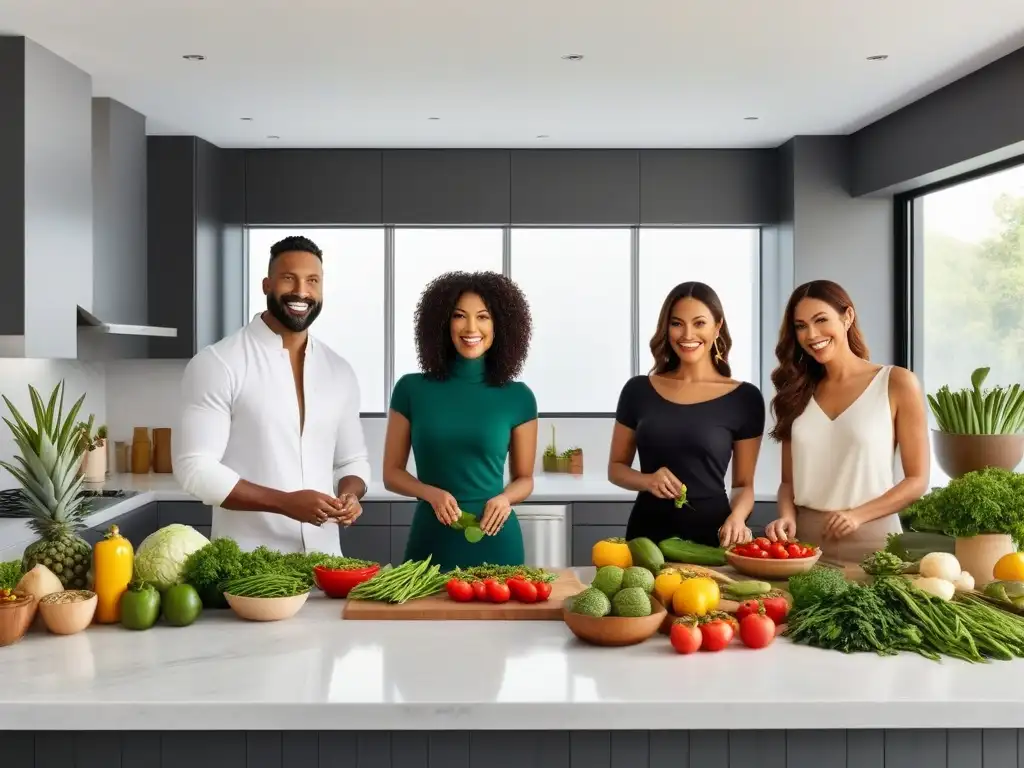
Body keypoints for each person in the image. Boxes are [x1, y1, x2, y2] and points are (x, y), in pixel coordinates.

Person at [173, 235, 371, 554]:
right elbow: (194, 468)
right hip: (247, 568)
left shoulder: (339, 371)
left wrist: (351, 494)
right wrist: (284, 503)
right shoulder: (218, 363)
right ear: (267, 284)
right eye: (288, 278)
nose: (301, 292)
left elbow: (352, 460)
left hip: (325, 563)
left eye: (312, 281)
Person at [764, 279, 930, 564]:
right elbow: (788, 482)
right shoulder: (795, 392)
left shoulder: (896, 382)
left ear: (847, 316)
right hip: (805, 548)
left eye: (821, 320)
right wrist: (786, 517)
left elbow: (917, 480)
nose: (811, 334)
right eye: (801, 326)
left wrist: (857, 516)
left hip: (876, 545)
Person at [382, 271, 538, 571]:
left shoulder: (518, 397)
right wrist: (430, 493)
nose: (471, 328)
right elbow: (391, 473)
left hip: (496, 538)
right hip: (431, 541)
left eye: (483, 317)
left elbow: (525, 479)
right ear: (442, 323)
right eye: (459, 316)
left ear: (500, 325)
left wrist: (505, 499)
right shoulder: (411, 389)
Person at [608, 281, 766, 549]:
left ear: (717, 327)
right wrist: (647, 480)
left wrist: (738, 519)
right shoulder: (638, 390)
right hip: (647, 537)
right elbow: (616, 469)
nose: (687, 334)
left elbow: (743, 485)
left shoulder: (745, 398)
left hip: (712, 537)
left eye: (699, 323)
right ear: (666, 329)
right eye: (677, 323)